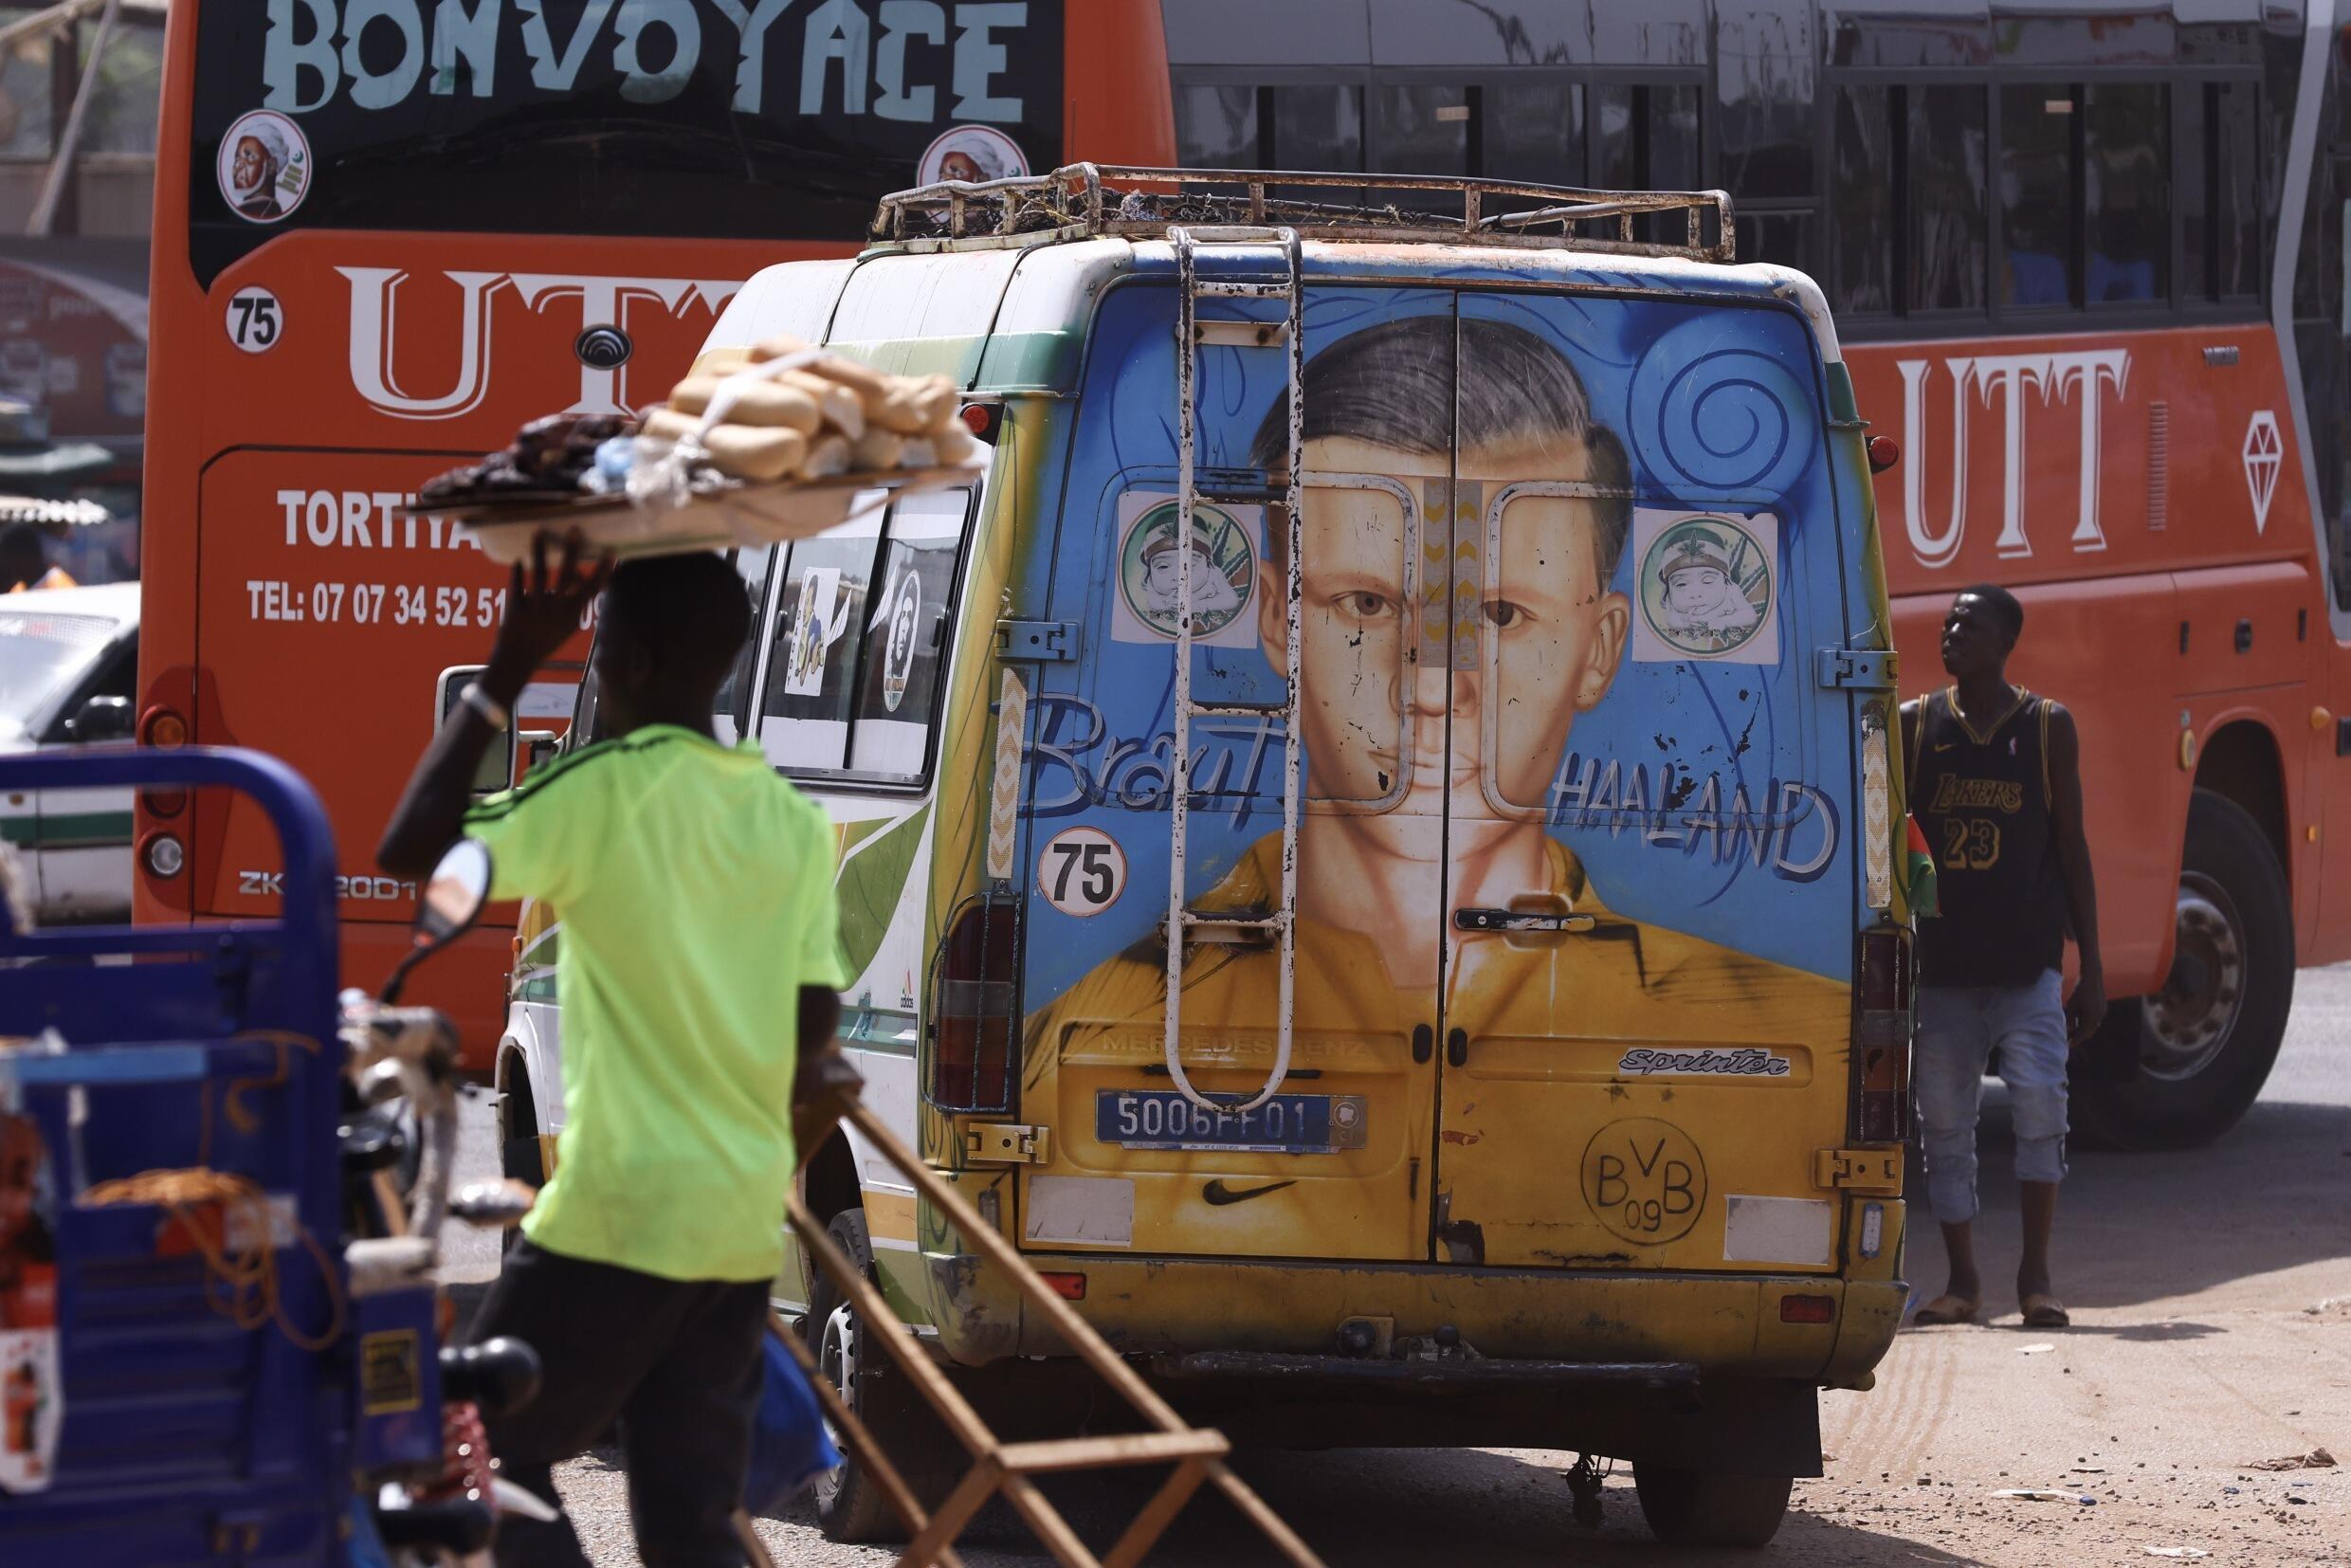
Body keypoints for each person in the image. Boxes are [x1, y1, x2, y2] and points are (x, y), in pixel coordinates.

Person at [1028, 317, 1848, 1238]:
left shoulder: (1795, 1023)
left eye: (1499, 613)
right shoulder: (1101, 1020)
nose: (1428, 681)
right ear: (1272, 620)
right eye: (1367, 603)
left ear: (1600, 647)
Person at [377, 537, 850, 1567]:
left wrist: (508, 665)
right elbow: (813, 1027)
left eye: (593, 653)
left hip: (617, 1209)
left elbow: (411, 846)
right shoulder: (791, 818)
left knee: (482, 1443)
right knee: (690, 1519)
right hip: (734, 1220)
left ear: (626, 661)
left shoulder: (597, 793)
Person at [1904, 584, 2104, 1330]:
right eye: (1949, 620)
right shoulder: (1917, 726)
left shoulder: (2047, 729)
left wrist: (2096, 970)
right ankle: (1963, 1283)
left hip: (2028, 968)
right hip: (1947, 970)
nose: (1952, 631)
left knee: (2039, 1108)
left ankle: (2036, 1278)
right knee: (1946, 1124)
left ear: (2005, 642)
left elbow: (2071, 847)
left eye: (1970, 623)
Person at [228, 125, 288, 220]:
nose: (237, 166)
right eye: (237, 159)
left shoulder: (265, 214)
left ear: (271, 166)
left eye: (249, 157)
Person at [0, 525, 72, 593]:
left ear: (29, 557)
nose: (7, 565)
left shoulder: (58, 587)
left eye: (11, 559)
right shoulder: (19, 588)